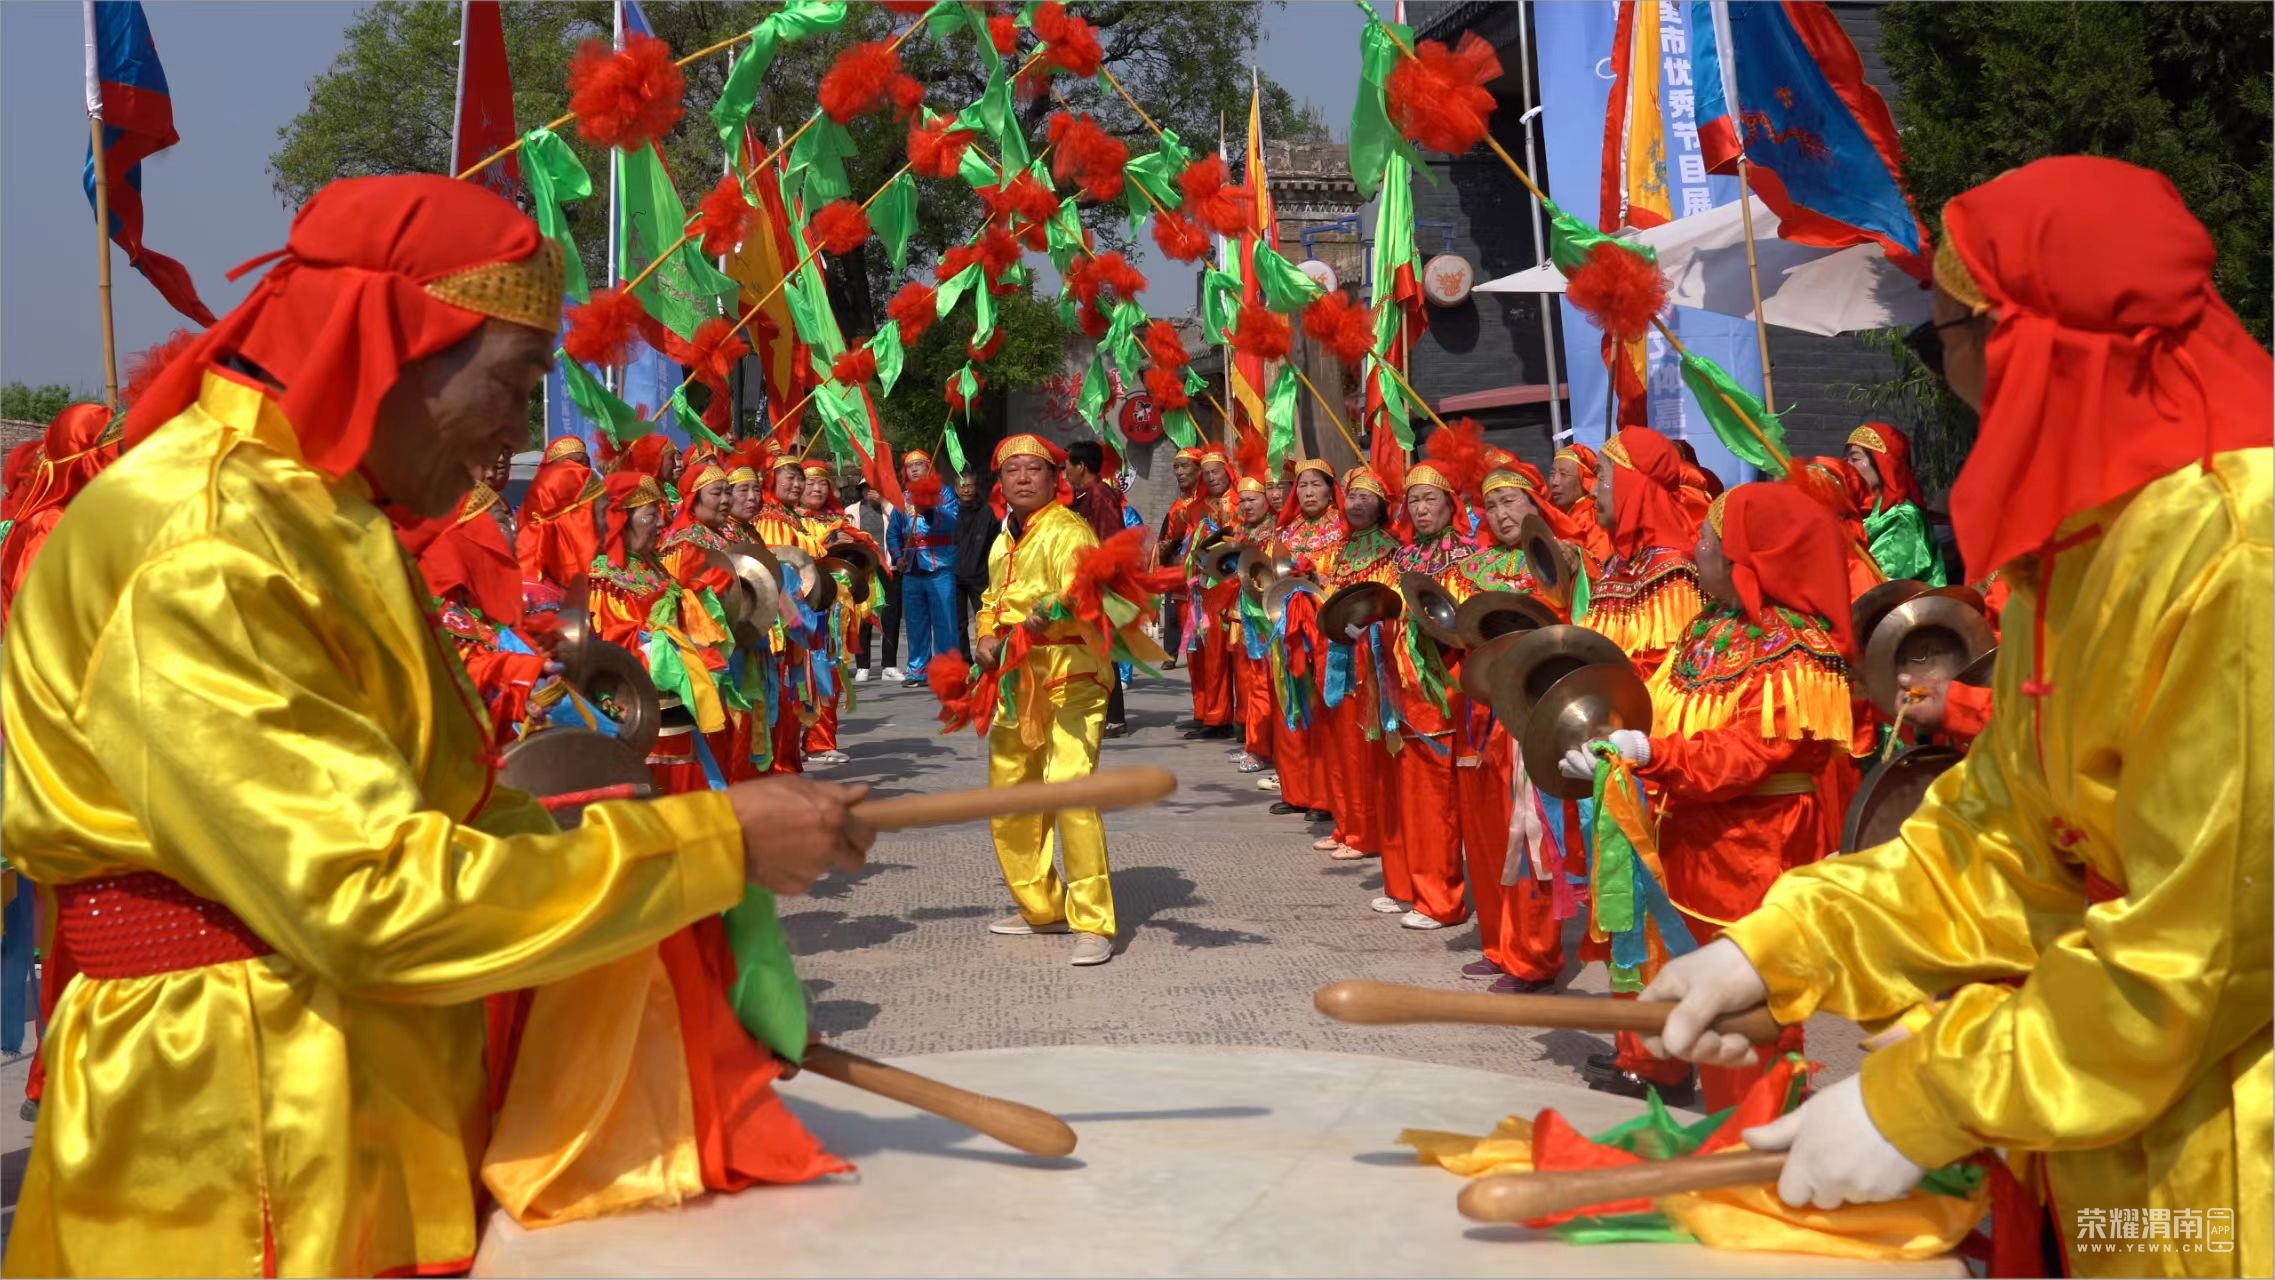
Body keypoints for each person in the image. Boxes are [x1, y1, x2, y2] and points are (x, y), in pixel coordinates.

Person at [0, 175, 876, 1278]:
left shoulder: (315, 514)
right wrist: (709, 846)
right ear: (390, 345)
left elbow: (449, 801)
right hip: (236, 1121)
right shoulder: (208, 545)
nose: (515, 431)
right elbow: (368, 896)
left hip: (344, 1075)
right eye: (511, 383)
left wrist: (680, 849)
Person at [1641, 157, 2269, 1277]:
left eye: (1941, 341)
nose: (1949, 379)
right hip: (2099, 1125)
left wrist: (1922, 1099)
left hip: (2225, 1160)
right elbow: (1995, 836)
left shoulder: (2239, 556)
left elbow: (2208, 941)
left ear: (2029, 339)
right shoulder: (2088, 545)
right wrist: (1777, 947)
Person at [1564, 481, 1856, 1107]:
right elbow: (1656, 711)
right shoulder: (1708, 625)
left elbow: (1746, 755)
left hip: (1753, 852)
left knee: (1745, 1000)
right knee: (1681, 977)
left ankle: (1758, 1124)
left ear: (1745, 555)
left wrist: (1653, 756)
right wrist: (1607, 746)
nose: (1695, 547)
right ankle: (1673, 1080)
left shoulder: (1795, 651)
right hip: (1688, 841)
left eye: (1707, 537)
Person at [975, 436, 1118, 967]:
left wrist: (1048, 611)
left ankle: (1093, 922)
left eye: (1032, 469)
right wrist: (984, 633)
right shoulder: (1003, 540)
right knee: (1011, 795)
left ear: (1053, 478)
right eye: (1011, 470)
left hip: (1071, 673)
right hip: (1018, 680)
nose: (1022, 478)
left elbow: (1083, 591)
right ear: (1000, 482)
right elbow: (992, 600)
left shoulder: (1068, 529)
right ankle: (1042, 907)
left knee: (1070, 789)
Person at [1453, 464, 1570, 994]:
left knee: (1531, 837)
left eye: (1511, 502)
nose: (1501, 514)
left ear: (1535, 505)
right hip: (1479, 718)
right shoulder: (1471, 568)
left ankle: (1534, 957)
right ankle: (1499, 944)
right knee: (1486, 835)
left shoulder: (1558, 560)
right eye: (1492, 505)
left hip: (1531, 713)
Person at [1381, 458, 1476, 931]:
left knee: (1437, 798)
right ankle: (1410, 887)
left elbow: (1464, 627)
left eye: (1429, 499)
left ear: (1450, 504)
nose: (1420, 508)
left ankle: (1441, 898)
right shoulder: (1403, 557)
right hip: (1401, 689)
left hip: (1442, 690)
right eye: (1413, 500)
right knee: (1407, 793)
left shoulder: (1466, 558)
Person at [1313, 466, 1400, 865]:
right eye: (1352, 496)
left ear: (1381, 506)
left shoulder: (1391, 549)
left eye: (1366, 497)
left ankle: (1365, 833)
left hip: (1368, 663)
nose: (1357, 504)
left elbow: (1389, 605)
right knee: (1338, 748)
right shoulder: (1344, 547)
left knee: (1362, 752)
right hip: (1336, 657)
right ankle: (1344, 824)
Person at [1585, 425, 1704, 677]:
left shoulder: (1673, 573)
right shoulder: (1617, 563)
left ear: (1631, 485)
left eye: (1601, 477)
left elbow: (1664, 669)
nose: (1592, 491)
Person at [1265, 459, 1344, 823]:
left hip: (1324, 633)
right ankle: (1296, 790)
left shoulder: (1342, 530)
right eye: (1303, 485)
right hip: (1288, 632)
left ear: (1330, 490)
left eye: (1316, 485)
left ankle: (1325, 797)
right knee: (1290, 705)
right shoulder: (1286, 532)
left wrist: (1319, 580)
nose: (1309, 492)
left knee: (1323, 712)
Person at [1065, 439, 1131, 738]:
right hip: (1082, 582)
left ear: (1081, 466)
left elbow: (1112, 542)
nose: (1064, 471)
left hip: (1099, 583)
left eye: (1068, 464)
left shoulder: (1100, 495)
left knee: (1104, 649)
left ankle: (1114, 717)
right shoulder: (1081, 496)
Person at [1179, 447, 1238, 740]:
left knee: (1233, 659)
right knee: (1203, 657)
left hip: (1232, 590)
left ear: (1228, 472)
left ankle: (1235, 718)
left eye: (1216, 471)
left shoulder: (1242, 503)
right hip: (1202, 593)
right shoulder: (1194, 509)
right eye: (1207, 474)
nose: (1212, 477)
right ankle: (1208, 713)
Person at [888, 448, 959, 687]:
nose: (915, 469)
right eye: (910, 466)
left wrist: (930, 510)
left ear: (930, 468)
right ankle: (917, 669)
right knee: (915, 622)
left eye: (919, 464)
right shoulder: (903, 499)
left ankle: (948, 670)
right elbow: (893, 533)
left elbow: (952, 520)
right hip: (912, 568)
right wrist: (897, 556)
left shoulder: (944, 493)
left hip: (940, 566)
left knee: (945, 620)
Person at [1846, 421, 1948, 586]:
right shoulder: (1862, 510)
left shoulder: (1903, 516)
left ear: (1882, 464)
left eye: (1855, 458)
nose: (1847, 465)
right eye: (1847, 458)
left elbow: (1877, 581)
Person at [515, 435, 602, 592]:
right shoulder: (533, 518)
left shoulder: (597, 504)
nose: (577, 471)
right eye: (567, 465)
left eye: (581, 464)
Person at [1155, 445, 1207, 669]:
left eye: (1184, 466)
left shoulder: (1208, 503)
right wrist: (1165, 548)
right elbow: (1165, 539)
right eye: (1176, 467)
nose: (1179, 472)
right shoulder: (1176, 507)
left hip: (1203, 575)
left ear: (1199, 469)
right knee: (1174, 616)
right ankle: (1170, 654)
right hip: (1178, 574)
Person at [853, 480, 900, 682]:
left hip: (888, 568)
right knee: (863, 617)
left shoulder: (891, 508)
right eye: (866, 488)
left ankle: (889, 665)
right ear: (861, 491)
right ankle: (862, 666)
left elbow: (901, 520)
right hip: (863, 569)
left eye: (874, 487)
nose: (870, 491)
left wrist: (884, 502)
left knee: (891, 617)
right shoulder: (851, 511)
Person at [1548, 441, 1614, 576]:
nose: (1554, 482)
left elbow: (1601, 569)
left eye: (1563, 474)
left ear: (1584, 479)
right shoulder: (1554, 516)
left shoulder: (1594, 518)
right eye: (1552, 474)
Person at [952, 470, 995, 661]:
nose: (966, 490)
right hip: (955, 575)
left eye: (970, 486)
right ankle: (964, 661)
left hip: (980, 575)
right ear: (956, 488)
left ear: (976, 487)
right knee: (958, 623)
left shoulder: (988, 512)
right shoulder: (950, 513)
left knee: (984, 620)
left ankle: (984, 659)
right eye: (963, 486)